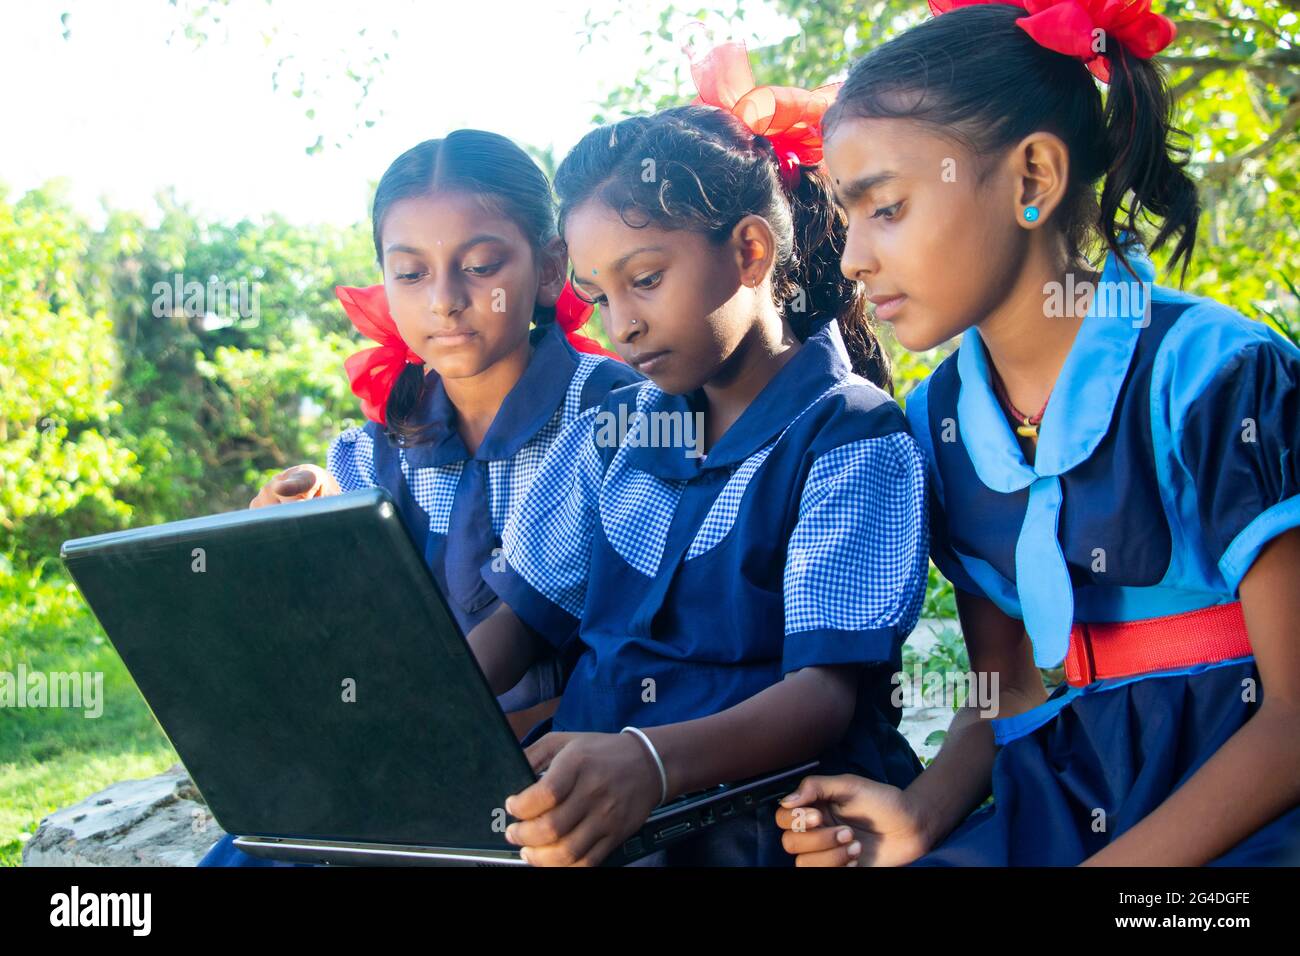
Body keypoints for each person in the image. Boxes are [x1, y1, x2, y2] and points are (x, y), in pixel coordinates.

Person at [777, 0, 1300, 866]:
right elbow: (1008, 686)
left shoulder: (1213, 375)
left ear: (1031, 180)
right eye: (847, 218)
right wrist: (924, 813)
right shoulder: (940, 423)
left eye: (888, 209)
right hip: (1066, 798)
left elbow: (1293, 719)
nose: (853, 260)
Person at [465, 42, 930, 867]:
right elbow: (526, 622)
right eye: (599, 296)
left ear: (751, 253)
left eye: (646, 279)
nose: (621, 327)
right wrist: (405, 706)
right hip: (598, 816)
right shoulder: (617, 428)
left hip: (764, 827)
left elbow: (824, 697)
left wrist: (648, 762)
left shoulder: (850, 435)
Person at [198, 129, 640, 867]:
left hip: (556, 775)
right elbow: (345, 648)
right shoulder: (372, 449)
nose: (446, 300)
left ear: (549, 268)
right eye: (410, 272)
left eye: (480, 265)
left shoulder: (615, 416)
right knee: (252, 851)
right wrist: (273, 558)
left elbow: (554, 635)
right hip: (399, 760)